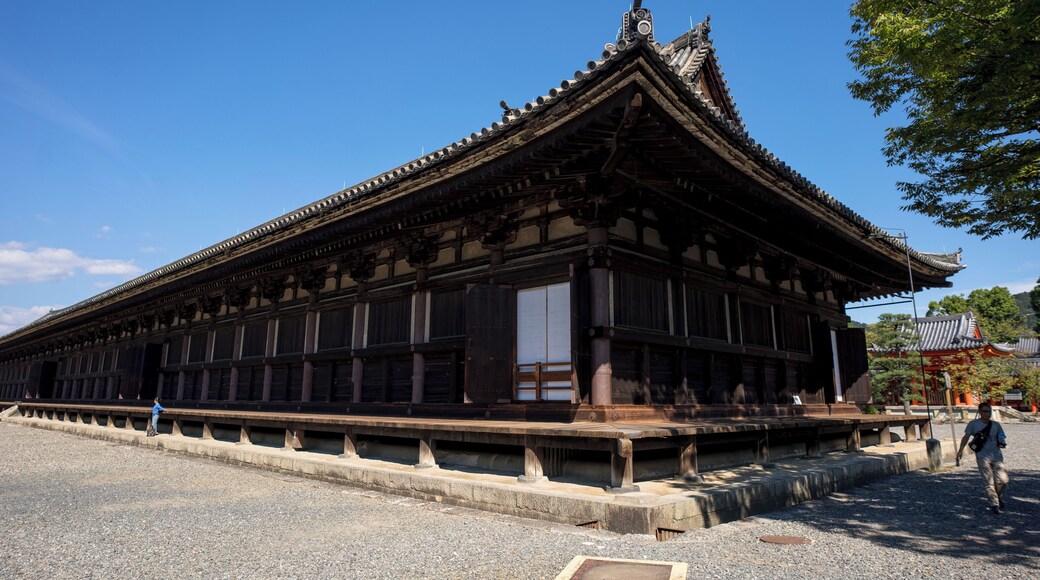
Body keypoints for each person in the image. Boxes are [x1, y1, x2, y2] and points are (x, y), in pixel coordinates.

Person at [955, 402, 1009, 514]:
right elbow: (966, 437)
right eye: (984, 411)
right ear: (979, 412)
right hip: (982, 456)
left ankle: (997, 496)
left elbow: (1002, 436)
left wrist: (1002, 441)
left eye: (989, 411)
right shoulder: (973, 424)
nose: (987, 414)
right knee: (988, 481)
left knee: (1003, 480)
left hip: (997, 455)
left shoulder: (996, 425)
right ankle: (994, 504)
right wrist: (960, 450)